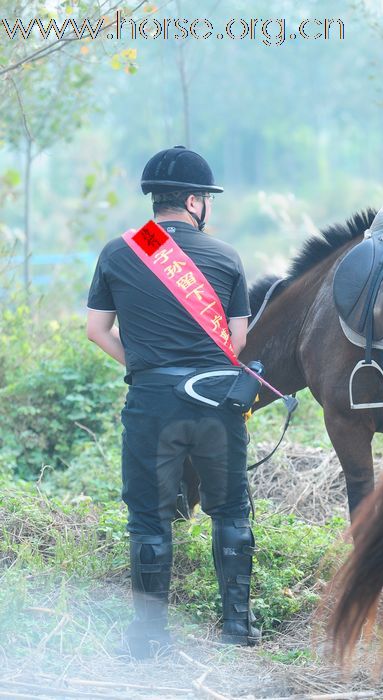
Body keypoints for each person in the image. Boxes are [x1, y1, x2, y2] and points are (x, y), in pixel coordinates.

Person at [86, 145, 261, 659]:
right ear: (192, 201)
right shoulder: (227, 256)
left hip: (151, 403)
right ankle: (236, 627)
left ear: (153, 202)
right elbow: (239, 340)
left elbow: (97, 331)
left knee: (149, 518)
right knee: (230, 510)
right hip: (216, 401)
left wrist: (145, 367)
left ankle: (148, 638)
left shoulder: (119, 252)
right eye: (206, 197)